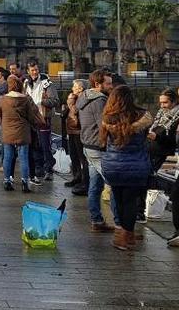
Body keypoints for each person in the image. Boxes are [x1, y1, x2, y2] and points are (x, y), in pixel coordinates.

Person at [99, 85, 153, 251]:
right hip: (136, 165)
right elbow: (146, 136)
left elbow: (102, 142)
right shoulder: (142, 116)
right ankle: (127, 236)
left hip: (113, 166)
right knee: (131, 201)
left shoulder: (108, 118)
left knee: (118, 198)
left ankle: (122, 234)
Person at [78, 69, 118, 232]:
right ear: (97, 84)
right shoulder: (100, 100)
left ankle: (96, 220)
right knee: (115, 184)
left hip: (88, 146)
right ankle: (120, 225)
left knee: (95, 185)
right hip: (98, 147)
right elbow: (105, 125)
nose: (111, 86)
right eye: (108, 83)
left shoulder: (84, 97)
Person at [0, 76, 44, 193]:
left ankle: (7, 181)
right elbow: (31, 117)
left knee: (8, 157)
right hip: (23, 132)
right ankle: (24, 183)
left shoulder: (3, 99)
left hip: (8, 131)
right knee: (24, 158)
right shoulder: (25, 99)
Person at [23, 62, 59, 183]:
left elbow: (55, 100)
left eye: (36, 70)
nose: (35, 72)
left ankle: (49, 169)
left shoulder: (46, 83)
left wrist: (41, 102)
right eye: (32, 70)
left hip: (43, 118)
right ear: (28, 71)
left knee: (45, 145)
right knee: (33, 146)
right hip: (30, 119)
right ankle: (39, 169)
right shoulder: (25, 83)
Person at [65, 80, 89, 195]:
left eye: (74, 86)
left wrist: (70, 101)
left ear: (80, 88)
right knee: (73, 155)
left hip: (79, 131)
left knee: (82, 157)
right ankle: (76, 177)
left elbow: (74, 111)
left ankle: (84, 180)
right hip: (71, 130)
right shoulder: (75, 98)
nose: (72, 88)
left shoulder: (82, 99)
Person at [148, 88, 179, 173]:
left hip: (165, 154)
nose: (162, 106)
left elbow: (174, 139)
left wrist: (156, 137)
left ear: (174, 101)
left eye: (165, 102)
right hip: (153, 151)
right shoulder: (161, 112)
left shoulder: (177, 116)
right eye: (161, 103)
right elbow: (156, 127)